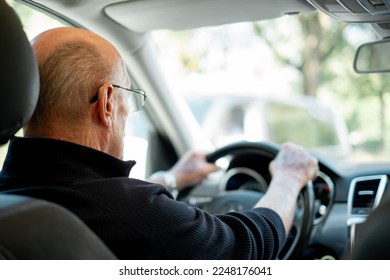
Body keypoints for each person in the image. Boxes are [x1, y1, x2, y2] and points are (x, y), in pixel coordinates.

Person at [0, 27, 318, 260]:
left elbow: (92, 203)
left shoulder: (11, 198)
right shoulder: (135, 214)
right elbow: (246, 245)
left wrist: (170, 179)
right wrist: (289, 179)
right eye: (129, 96)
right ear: (107, 103)